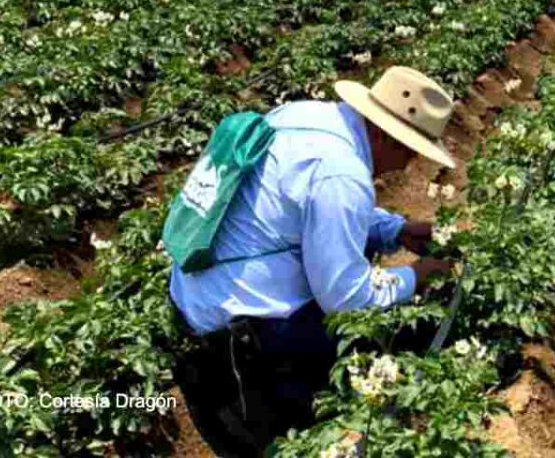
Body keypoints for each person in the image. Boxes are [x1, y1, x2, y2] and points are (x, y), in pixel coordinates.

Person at [167, 66, 458, 457]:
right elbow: (347, 298)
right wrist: (416, 276)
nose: (407, 165)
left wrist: (396, 231)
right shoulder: (341, 171)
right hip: (241, 346)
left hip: (196, 301)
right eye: (408, 150)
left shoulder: (302, 116)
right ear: (384, 133)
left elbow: (302, 207)